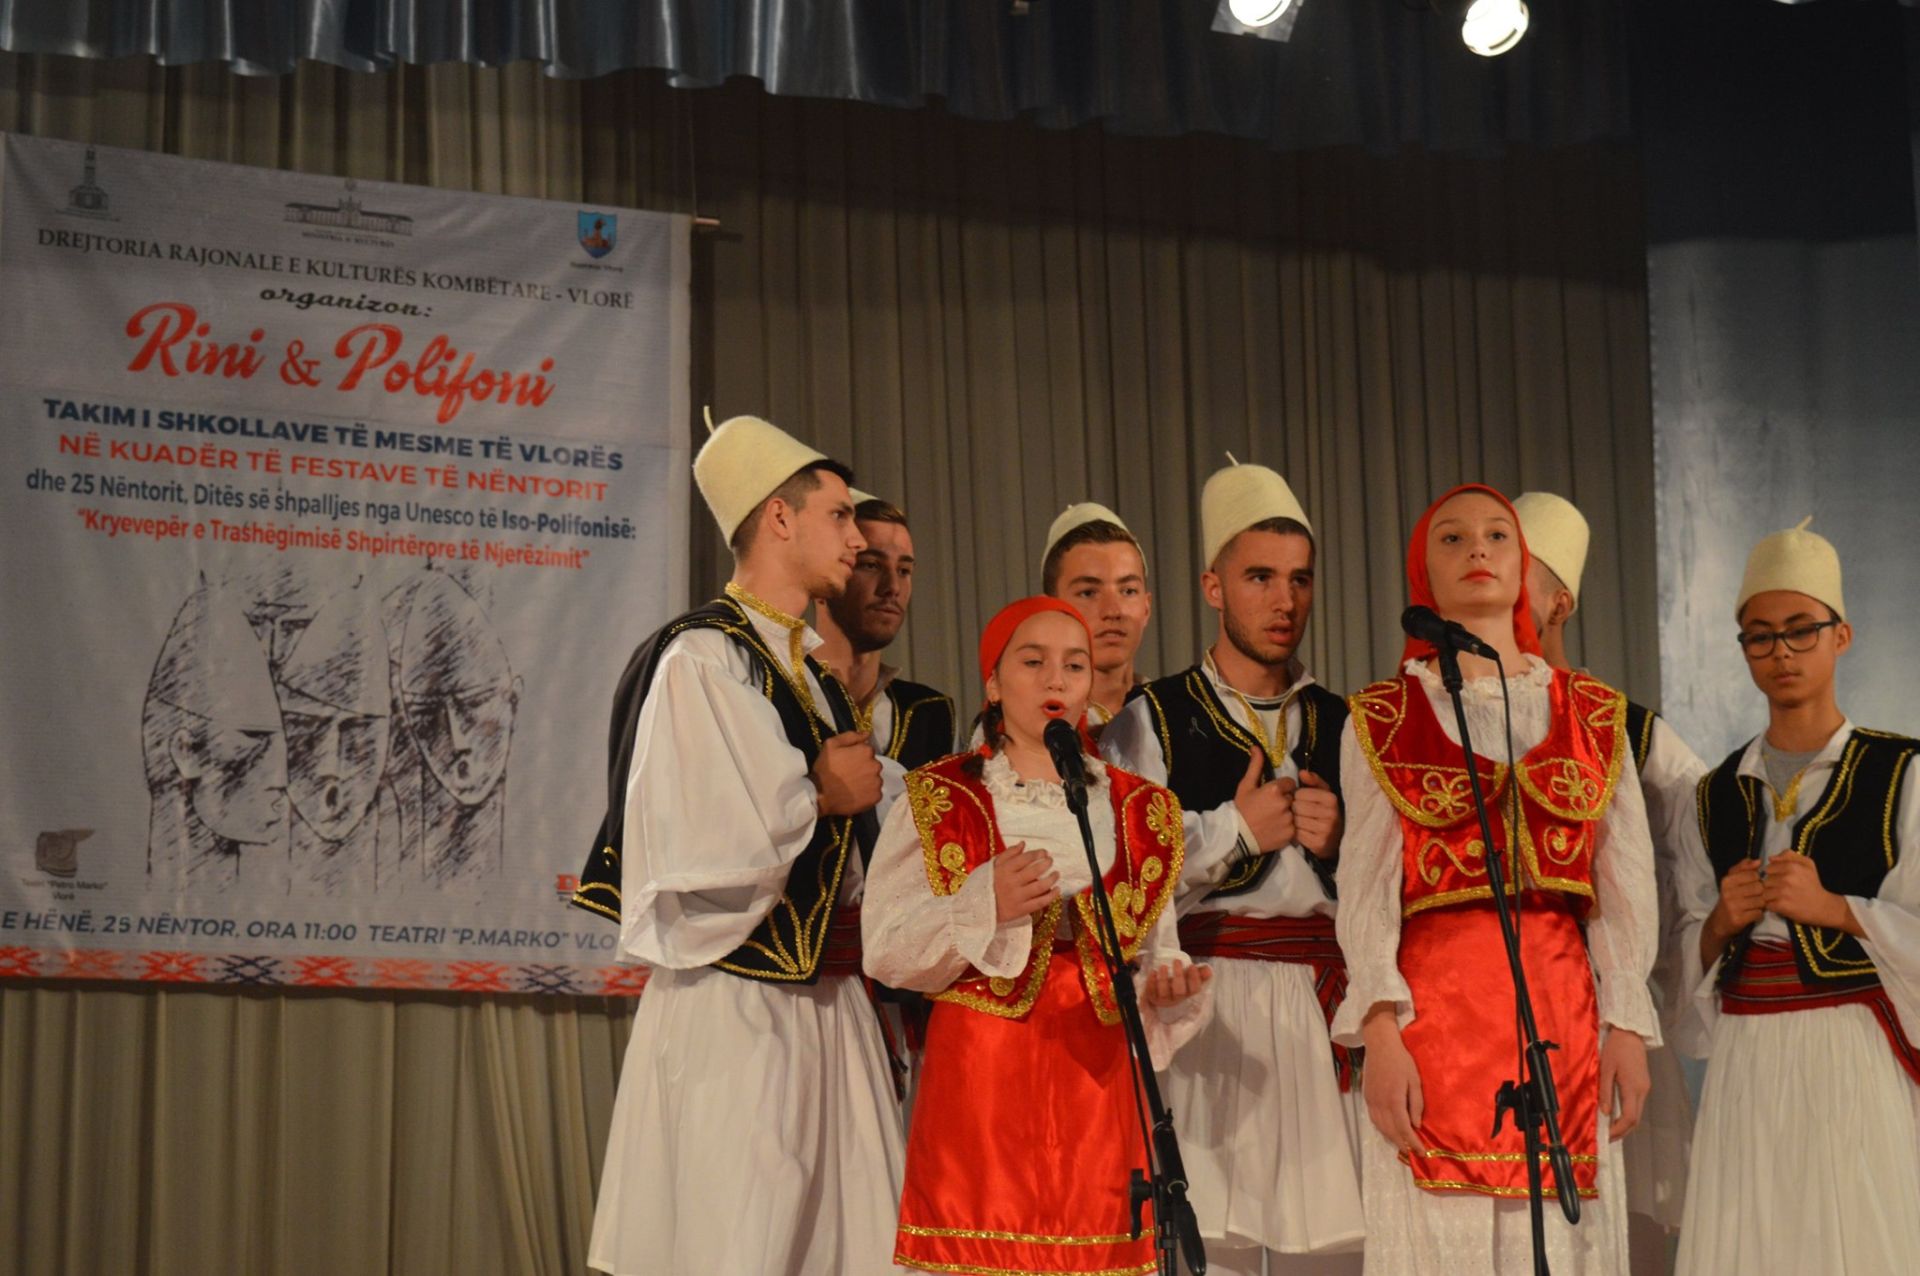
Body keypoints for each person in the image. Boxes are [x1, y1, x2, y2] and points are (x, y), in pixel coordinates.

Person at [577, 414, 903, 1275]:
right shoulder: (704, 659)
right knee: (741, 1238)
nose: (860, 539)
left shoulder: (805, 673)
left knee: (849, 1246)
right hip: (740, 1009)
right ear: (779, 518)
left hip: (828, 1007)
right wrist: (821, 795)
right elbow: (705, 831)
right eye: (840, 515)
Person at [1333, 484, 1660, 1273]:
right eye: (1452, 538)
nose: (1477, 549)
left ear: (1523, 565)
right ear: (1424, 574)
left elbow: (1624, 885)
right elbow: (1366, 890)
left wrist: (1625, 1022)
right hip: (1431, 1028)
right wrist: (1379, 1032)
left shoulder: (1595, 714)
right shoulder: (1382, 716)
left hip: (1563, 1021)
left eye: (1496, 535)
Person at [864, 595, 1212, 1276]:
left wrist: (1165, 987)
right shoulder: (940, 798)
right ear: (993, 683)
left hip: (1098, 1078)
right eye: (1034, 662)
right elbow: (886, 949)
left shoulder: (1141, 809)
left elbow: (1155, 949)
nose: (1057, 679)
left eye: (1075, 666)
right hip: (983, 1081)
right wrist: (981, 903)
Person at [1103, 460, 1365, 1273]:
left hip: (1324, 1004)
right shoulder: (1151, 719)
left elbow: (1395, 882)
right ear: (1213, 588)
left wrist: (1341, 848)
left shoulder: (1350, 722)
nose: (1285, 601)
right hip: (1208, 1005)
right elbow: (1124, 874)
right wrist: (1237, 832)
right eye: (1260, 577)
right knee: (1210, 1245)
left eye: (1300, 579)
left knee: (1334, 1250)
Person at [1671, 518, 1920, 1274]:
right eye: (1761, 636)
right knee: (1752, 1237)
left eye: (1801, 630)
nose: (1782, 652)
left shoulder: (1902, 773)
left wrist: (1838, 910)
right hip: (1746, 1054)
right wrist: (1718, 925)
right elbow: (1681, 954)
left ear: (1841, 636)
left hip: (1853, 1049)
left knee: (1856, 1237)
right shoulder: (1711, 793)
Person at [1513, 491, 1705, 1243]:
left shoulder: (1628, 731)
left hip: (1600, 1017)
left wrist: (1644, 993)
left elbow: (1698, 858)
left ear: (1560, 602)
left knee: (1619, 1228)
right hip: (1486, 1014)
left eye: (1517, 575)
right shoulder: (1445, 717)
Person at [813, 494, 957, 774]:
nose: (893, 587)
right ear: (824, 577)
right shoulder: (776, 697)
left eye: (904, 570)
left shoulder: (931, 714)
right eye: (870, 565)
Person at [1041, 502, 1153, 731]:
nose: (1113, 611)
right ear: (1051, 611)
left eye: (1128, 591)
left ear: (1146, 608)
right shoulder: (1018, 731)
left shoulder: (1179, 717)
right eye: (1088, 593)